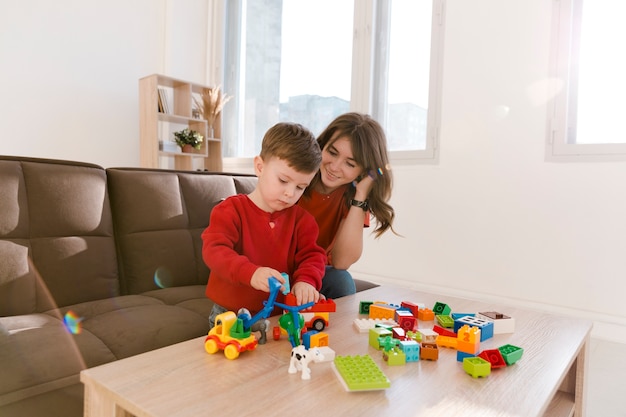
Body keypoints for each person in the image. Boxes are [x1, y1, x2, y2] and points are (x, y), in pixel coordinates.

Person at [202, 122, 326, 328]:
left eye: (300, 187)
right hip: (229, 314)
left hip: (280, 314)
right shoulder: (230, 210)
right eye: (283, 180)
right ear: (260, 167)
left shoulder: (302, 221)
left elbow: (313, 256)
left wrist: (306, 281)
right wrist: (250, 273)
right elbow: (214, 251)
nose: (290, 193)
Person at [297, 112, 395, 299]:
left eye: (350, 164)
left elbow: (341, 262)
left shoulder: (353, 199)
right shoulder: (297, 177)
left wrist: (361, 195)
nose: (334, 167)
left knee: (341, 280)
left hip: (314, 272)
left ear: (363, 171)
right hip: (278, 267)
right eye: (332, 153)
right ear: (322, 146)